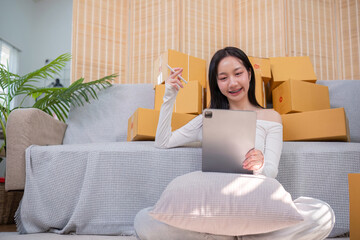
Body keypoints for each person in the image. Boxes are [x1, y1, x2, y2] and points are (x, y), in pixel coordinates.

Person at [134, 47, 335, 240]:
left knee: (323, 214)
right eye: (223, 78)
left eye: (238, 73)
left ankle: (226, 236)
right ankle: (241, 236)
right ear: (216, 83)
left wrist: (261, 164)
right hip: (215, 204)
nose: (232, 83)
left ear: (249, 74)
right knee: (144, 221)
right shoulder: (208, 117)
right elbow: (163, 142)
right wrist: (169, 95)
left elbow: (271, 171)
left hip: (253, 203)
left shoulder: (271, 117)